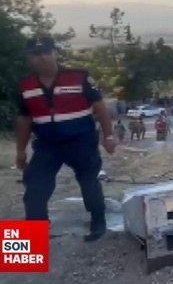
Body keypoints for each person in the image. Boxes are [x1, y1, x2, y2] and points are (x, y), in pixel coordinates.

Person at [16, 37, 115, 242]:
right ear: (29, 58)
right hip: (47, 146)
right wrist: (20, 150)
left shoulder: (78, 77)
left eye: (46, 52)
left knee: (89, 183)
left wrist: (109, 136)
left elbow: (100, 107)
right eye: (36, 54)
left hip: (81, 142)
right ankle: (34, 240)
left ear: (54, 53)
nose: (42, 58)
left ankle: (98, 222)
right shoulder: (26, 85)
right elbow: (24, 120)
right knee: (35, 187)